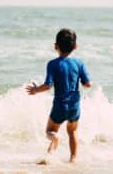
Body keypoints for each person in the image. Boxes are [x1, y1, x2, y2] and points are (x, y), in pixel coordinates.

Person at [26, 28, 91, 163]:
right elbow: (87, 84)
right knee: (72, 132)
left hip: (60, 106)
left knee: (50, 131)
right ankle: (73, 159)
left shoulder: (53, 64)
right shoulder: (79, 63)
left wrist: (35, 90)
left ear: (56, 46)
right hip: (74, 105)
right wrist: (85, 84)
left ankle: (54, 140)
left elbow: (48, 85)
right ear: (75, 46)